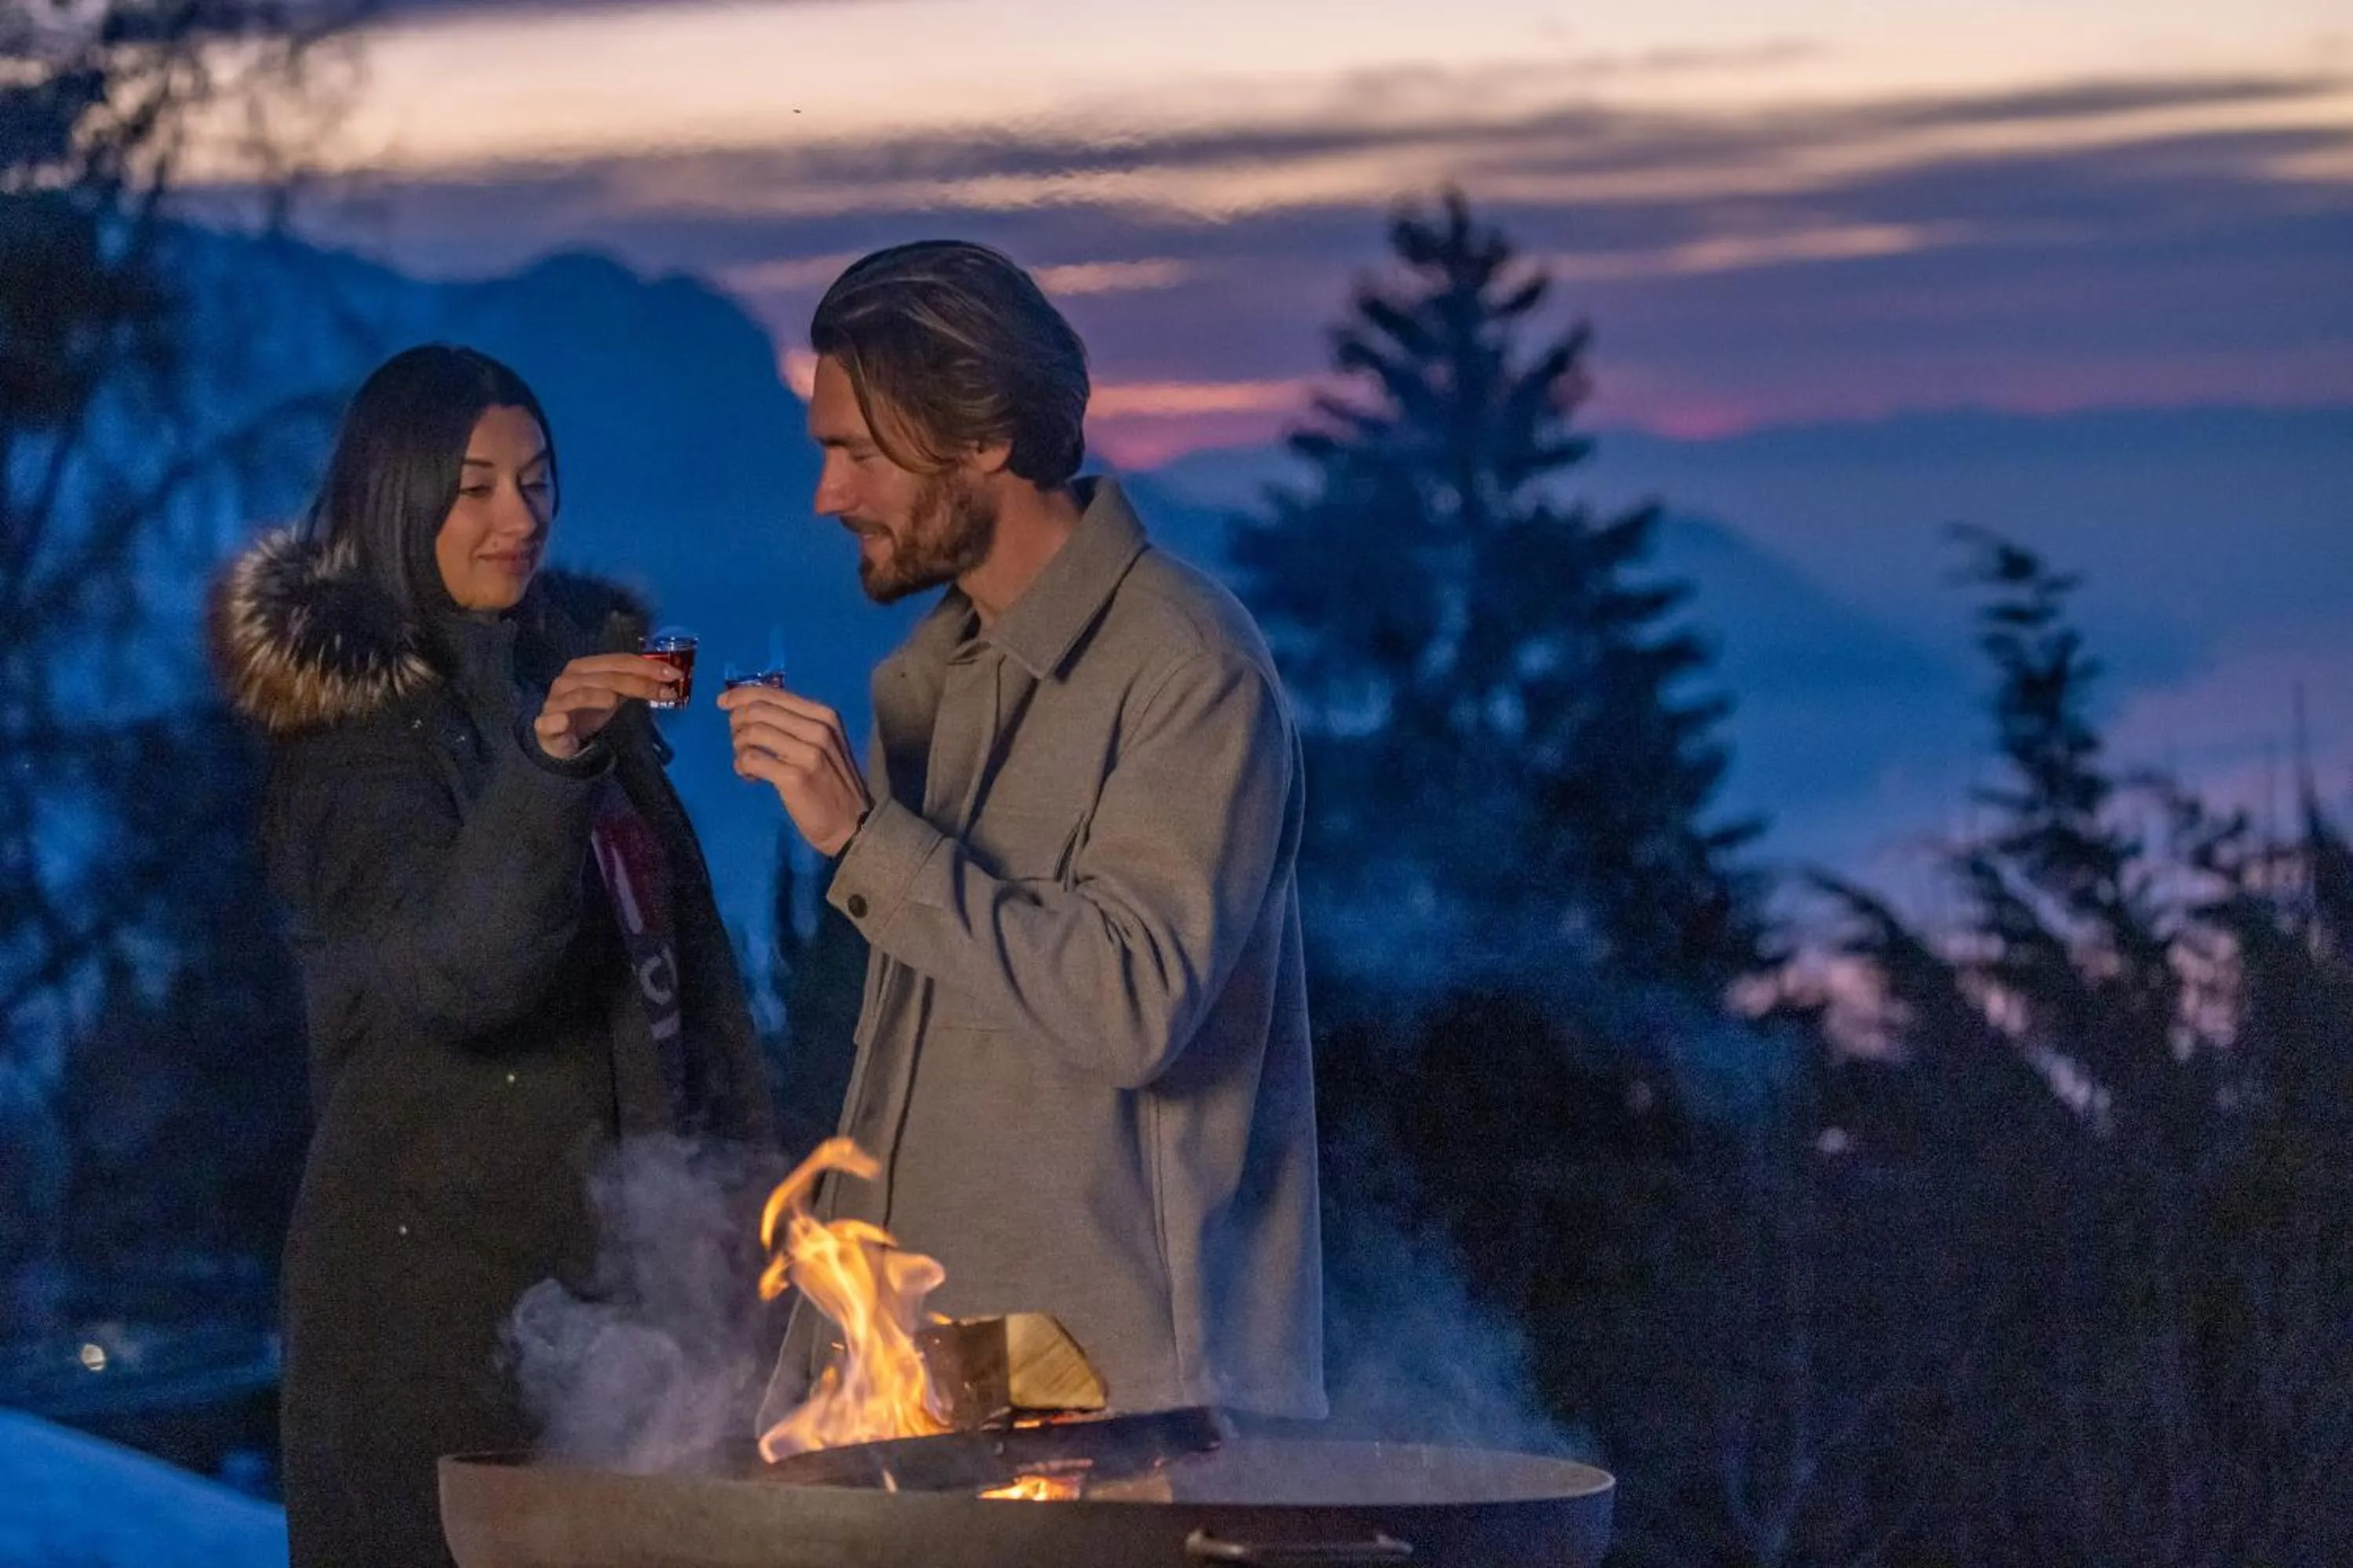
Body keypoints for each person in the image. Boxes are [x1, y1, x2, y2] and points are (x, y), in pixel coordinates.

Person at [730, 242, 1324, 1426]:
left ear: (985, 439)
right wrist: (813, 1381)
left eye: (856, 451)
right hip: (951, 1386)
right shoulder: (932, 682)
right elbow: (907, 1079)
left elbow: (1129, 1003)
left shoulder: (1187, 669)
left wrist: (865, 837)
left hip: (1130, 1409)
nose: (826, 496)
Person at [208, 345, 774, 1567]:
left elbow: (681, 989)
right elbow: (471, 975)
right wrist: (554, 756)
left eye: (537, 481)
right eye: (473, 488)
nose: (517, 517)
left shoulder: (562, 682)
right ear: (399, 497)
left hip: (621, 1307)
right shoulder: (351, 742)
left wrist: (749, 1211)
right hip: (436, 1329)